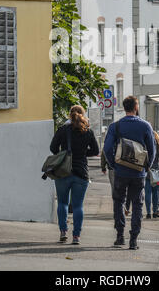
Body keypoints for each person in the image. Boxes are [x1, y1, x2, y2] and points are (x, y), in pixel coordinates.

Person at [103, 96, 156, 250]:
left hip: (121, 171)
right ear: (136, 107)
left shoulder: (116, 126)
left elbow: (106, 149)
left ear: (125, 107)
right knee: (137, 204)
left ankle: (120, 236)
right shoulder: (145, 126)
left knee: (119, 201)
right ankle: (133, 239)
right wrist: (146, 167)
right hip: (138, 172)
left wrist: (113, 164)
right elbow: (152, 150)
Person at [50, 105, 99, 245]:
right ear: (83, 114)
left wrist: (64, 153)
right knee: (78, 206)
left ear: (69, 115)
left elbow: (53, 148)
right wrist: (83, 153)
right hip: (81, 172)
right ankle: (76, 236)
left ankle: (63, 232)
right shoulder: (87, 131)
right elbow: (95, 150)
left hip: (63, 171)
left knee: (62, 203)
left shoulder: (62, 130)